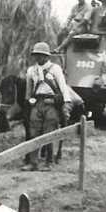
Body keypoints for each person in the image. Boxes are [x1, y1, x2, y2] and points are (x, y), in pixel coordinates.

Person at [21, 42, 71, 172]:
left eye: (41, 55)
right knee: (33, 132)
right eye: (36, 55)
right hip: (37, 103)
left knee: (49, 132)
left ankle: (49, 162)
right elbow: (28, 90)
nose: (38, 58)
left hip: (51, 103)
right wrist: (27, 105)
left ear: (47, 56)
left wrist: (66, 102)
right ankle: (33, 162)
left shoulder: (55, 69)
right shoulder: (31, 70)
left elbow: (63, 86)